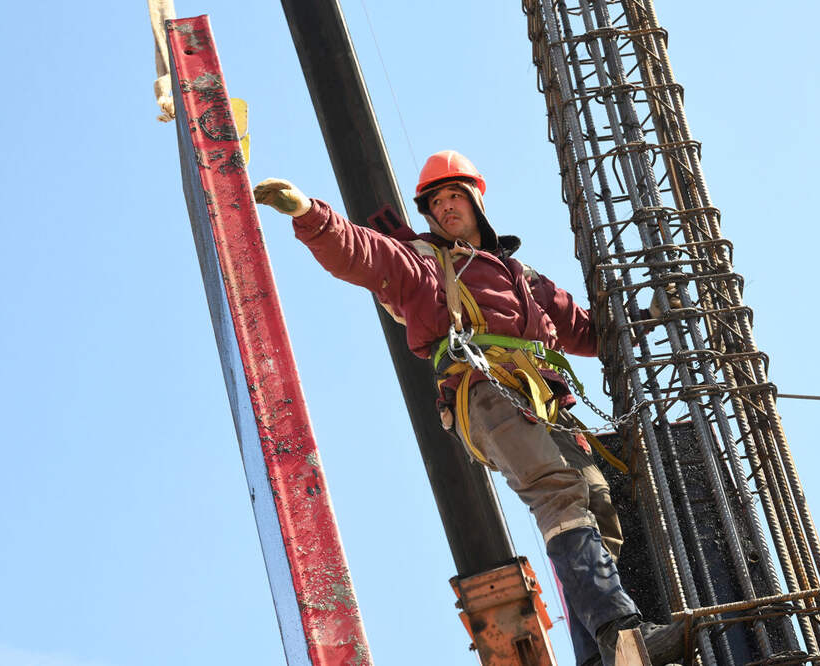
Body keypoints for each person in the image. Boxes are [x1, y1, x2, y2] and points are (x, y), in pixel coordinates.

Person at [254, 150, 685, 666]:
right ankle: (622, 635)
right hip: (484, 391)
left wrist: (647, 315)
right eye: (435, 201)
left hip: (543, 399)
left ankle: (600, 655)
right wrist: (309, 214)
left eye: (454, 195)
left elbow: (588, 331)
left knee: (598, 505)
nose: (445, 206)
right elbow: (365, 253)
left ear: (477, 200)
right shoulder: (423, 263)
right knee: (557, 491)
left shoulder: (519, 275)